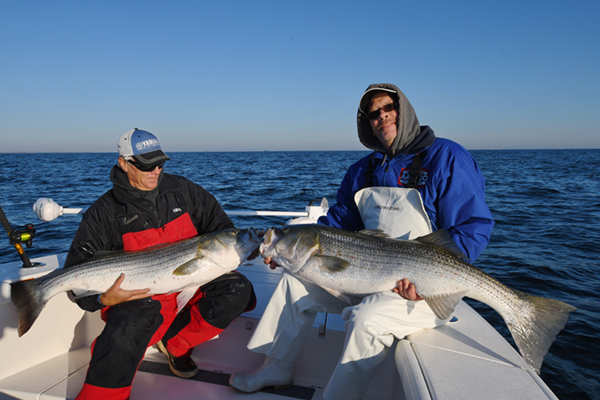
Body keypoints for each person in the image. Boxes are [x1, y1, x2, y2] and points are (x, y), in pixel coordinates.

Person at [229, 83, 495, 399]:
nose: (381, 117)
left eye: (388, 108)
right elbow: (337, 225)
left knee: (367, 317)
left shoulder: (446, 157)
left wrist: (429, 284)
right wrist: (286, 253)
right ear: (366, 122)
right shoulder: (362, 170)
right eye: (373, 114)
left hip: (423, 289)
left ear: (404, 110)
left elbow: (472, 228)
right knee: (293, 283)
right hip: (367, 276)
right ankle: (276, 368)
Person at [64, 128, 256, 400]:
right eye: (145, 165)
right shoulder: (103, 213)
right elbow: (77, 275)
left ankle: (176, 345)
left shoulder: (184, 191)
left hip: (192, 281)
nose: (155, 170)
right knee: (122, 335)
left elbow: (221, 227)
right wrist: (104, 299)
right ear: (124, 163)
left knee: (239, 290)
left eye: (160, 163)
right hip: (139, 295)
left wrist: (247, 249)